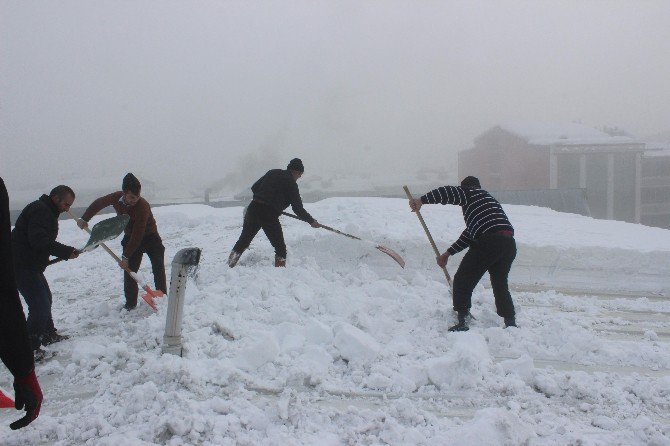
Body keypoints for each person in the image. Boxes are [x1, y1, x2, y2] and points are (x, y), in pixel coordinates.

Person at [409, 176, 517, 331]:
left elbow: (446, 192)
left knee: (462, 279)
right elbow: (469, 234)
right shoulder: (486, 202)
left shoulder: (470, 193)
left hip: (490, 240)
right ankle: (510, 321)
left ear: (466, 188)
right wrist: (447, 254)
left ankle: (463, 320)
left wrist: (422, 200)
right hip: (508, 244)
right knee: (500, 284)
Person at [77, 173, 166, 310]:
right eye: (131, 197)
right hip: (130, 237)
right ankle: (130, 304)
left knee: (158, 267)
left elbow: (138, 233)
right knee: (129, 271)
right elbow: (99, 203)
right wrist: (85, 218)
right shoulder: (116, 197)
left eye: (137, 197)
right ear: (125, 193)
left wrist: (126, 256)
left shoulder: (142, 206)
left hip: (150, 238)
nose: (134, 200)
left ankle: (162, 299)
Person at [11, 185, 80, 358]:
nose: (67, 209)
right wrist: (65, 251)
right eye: (66, 204)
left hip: (30, 264)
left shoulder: (46, 211)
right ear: (56, 199)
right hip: (20, 264)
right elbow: (39, 241)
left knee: (45, 299)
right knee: (39, 304)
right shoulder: (40, 211)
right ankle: (28, 348)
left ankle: (48, 334)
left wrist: (64, 253)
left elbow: (40, 242)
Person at [1, 177, 44, 430]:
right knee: (40, 303)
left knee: (42, 301)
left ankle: (43, 334)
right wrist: (24, 370)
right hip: (25, 266)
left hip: (27, 266)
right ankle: (37, 337)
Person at [228, 158, 320, 267]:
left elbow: (254, 187)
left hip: (253, 209)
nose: (299, 177)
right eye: (300, 175)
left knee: (243, 240)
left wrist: (264, 198)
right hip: (268, 214)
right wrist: (311, 221)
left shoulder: (272, 172)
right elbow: (298, 209)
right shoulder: (291, 184)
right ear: (297, 172)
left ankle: (229, 264)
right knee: (280, 248)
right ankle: (280, 271)